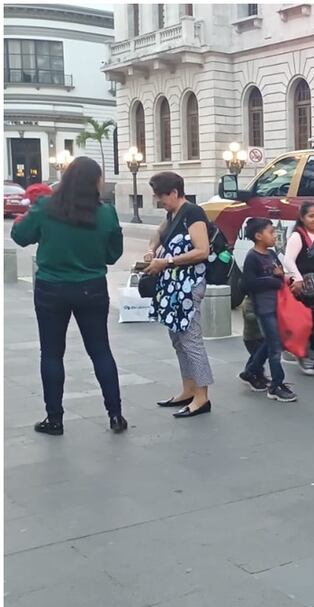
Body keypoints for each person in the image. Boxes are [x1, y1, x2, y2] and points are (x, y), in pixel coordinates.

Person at [10, 156, 127, 435]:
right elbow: (113, 255)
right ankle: (115, 415)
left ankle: (55, 419)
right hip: (92, 288)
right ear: (95, 182)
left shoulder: (45, 207)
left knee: (51, 354)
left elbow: (20, 236)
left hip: (52, 288)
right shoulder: (106, 212)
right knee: (100, 351)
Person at [144, 171, 213, 418]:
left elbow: (202, 251)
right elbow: (158, 234)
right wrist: (152, 251)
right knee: (178, 339)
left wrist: (167, 262)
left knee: (191, 340)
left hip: (188, 287)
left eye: (160, 196)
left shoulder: (193, 213)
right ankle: (188, 389)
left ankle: (202, 396)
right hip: (174, 288)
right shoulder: (172, 213)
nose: (157, 201)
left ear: (174, 193)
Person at [238, 218, 297, 402]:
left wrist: (281, 277)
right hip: (263, 308)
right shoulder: (252, 258)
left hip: (276, 305)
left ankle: (251, 371)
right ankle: (276, 385)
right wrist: (274, 279)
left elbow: (279, 276)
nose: (274, 236)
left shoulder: (271, 254)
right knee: (275, 347)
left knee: (270, 343)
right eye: (271, 233)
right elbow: (249, 284)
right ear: (258, 236)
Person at [282, 202, 314, 375]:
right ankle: (306, 355)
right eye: (311, 216)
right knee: (308, 323)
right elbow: (288, 260)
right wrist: (299, 278)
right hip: (305, 289)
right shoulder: (297, 236)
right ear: (302, 218)